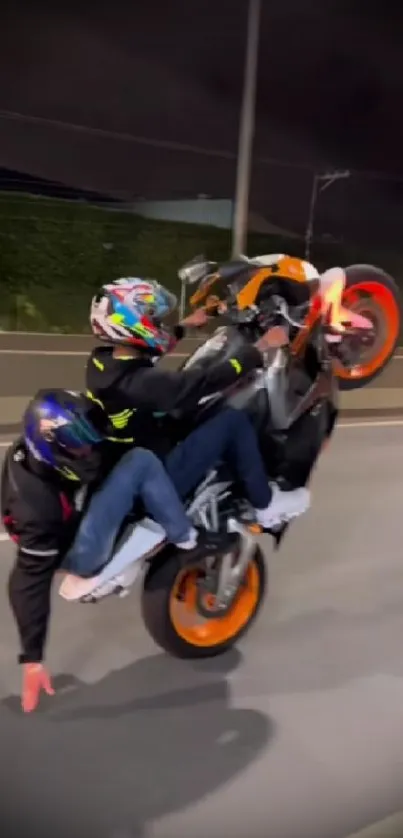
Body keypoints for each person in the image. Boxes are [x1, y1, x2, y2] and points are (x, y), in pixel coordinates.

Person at [1, 388, 235, 713]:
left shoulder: (35, 451)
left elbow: (99, 444)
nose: (87, 448)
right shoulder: (37, 510)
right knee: (141, 461)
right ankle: (188, 540)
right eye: (79, 445)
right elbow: (26, 582)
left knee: (119, 457)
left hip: (68, 519)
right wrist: (32, 660)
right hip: (77, 555)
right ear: (54, 449)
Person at [87, 277, 310, 525]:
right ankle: (265, 504)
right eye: (154, 318)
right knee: (232, 421)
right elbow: (200, 382)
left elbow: (146, 354)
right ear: (130, 322)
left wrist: (186, 326)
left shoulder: (104, 363)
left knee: (193, 411)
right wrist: (259, 348)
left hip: (138, 454)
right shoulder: (143, 383)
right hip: (159, 480)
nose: (159, 323)